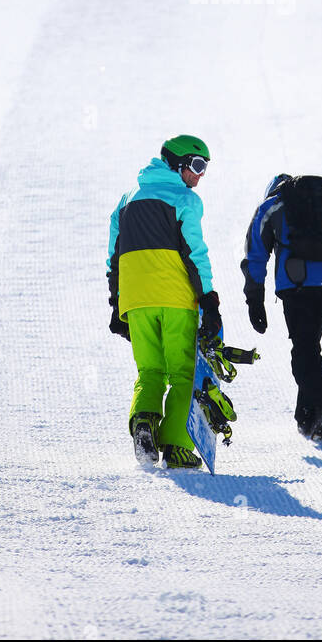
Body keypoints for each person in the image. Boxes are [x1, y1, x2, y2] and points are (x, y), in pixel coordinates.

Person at [107, 135, 222, 470]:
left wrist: (118, 305)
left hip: (136, 301)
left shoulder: (126, 201)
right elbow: (195, 253)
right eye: (198, 165)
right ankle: (176, 447)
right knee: (184, 373)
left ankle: (144, 423)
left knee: (149, 370)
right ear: (178, 164)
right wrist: (209, 301)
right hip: (175, 299)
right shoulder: (185, 200)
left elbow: (114, 256)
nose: (201, 175)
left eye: (205, 168)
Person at [240, 173, 322, 440]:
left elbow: (256, 252)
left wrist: (255, 297)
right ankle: (307, 416)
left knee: (302, 351)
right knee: (308, 345)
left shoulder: (273, 206)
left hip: (295, 284)